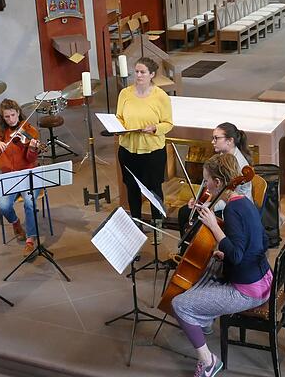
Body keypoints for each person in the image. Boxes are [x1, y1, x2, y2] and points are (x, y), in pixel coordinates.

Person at [171, 153, 272, 377]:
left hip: (249, 291)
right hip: (263, 277)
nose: (204, 185)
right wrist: (223, 252)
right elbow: (260, 242)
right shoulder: (244, 201)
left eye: (206, 180)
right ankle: (202, 319)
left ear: (217, 182)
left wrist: (214, 227)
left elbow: (235, 255)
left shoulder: (231, 210)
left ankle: (208, 361)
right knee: (207, 269)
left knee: (179, 304)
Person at [0, 98, 41, 256]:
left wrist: (32, 148)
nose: (11, 120)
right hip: (8, 177)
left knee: (30, 203)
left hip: (28, 173)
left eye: (13, 115)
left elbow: (31, 159)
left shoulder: (29, 131)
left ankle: (30, 240)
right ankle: (16, 223)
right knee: (4, 206)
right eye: (7, 117)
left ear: (18, 113)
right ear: (2, 117)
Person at [116, 57, 173, 224]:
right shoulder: (125, 93)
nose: (139, 75)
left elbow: (168, 124)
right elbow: (119, 117)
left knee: (154, 189)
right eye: (137, 72)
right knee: (132, 188)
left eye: (143, 72)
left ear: (152, 74)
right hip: (128, 149)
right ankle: (136, 222)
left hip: (152, 151)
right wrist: (117, 126)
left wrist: (155, 128)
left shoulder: (160, 96)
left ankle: (157, 224)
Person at [178, 122, 253, 245]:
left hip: (234, 208)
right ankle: (184, 252)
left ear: (229, 140)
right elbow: (214, 185)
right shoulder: (222, 156)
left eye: (216, 138)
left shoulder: (238, 165)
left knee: (194, 217)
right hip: (221, 199)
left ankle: (193, 253)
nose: (213, 142)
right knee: (185, 212)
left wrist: (208, 205)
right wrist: (198, 200)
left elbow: (234, 197)